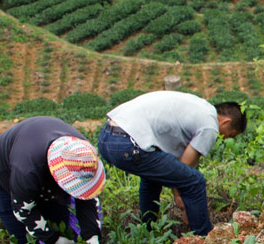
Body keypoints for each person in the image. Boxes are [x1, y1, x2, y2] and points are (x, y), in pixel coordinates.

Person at [96, 92, 246, 236]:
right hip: (127, 143)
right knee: (195, 181)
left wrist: (180, 195)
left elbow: (178, 170)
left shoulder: (200, 107)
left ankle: (147, 230)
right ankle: (204, 237)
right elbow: (185, 169)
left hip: (107, 138)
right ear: (226, 121)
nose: (225, 138)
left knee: (152, 179)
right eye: (230, 134)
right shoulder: (210, 126)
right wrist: (184, 205)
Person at [0, 116, 106, 244]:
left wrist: (91, 236)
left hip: (38, 157)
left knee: (60, 221)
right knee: (23, 241)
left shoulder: (84, 155)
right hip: (3, 170)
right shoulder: (27, 171)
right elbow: (23, 212)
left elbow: (86, 197)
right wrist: (55, 240)